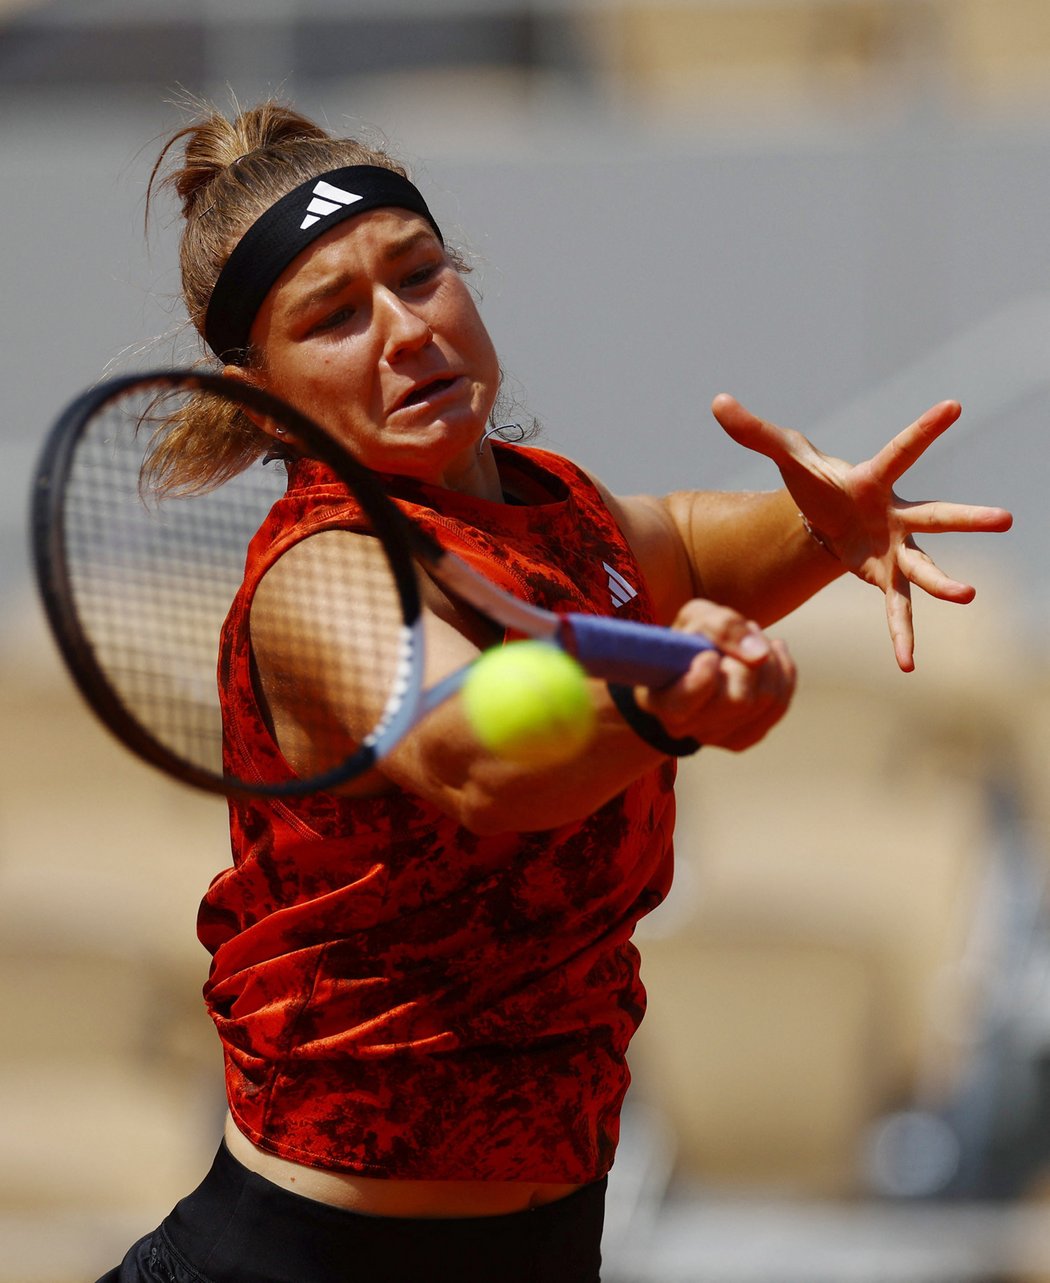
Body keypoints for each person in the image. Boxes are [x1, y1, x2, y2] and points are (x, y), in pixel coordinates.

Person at [98, 99, 1012, 1283]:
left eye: (419, 275)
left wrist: (825, 525)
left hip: (544, 1245)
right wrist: (651, 710)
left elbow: (676, 537)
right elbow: (473, 752)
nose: (403, 329)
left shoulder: (559, 511)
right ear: (258, 388)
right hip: (307, 1259)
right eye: (331, 316)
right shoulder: (321, 571)